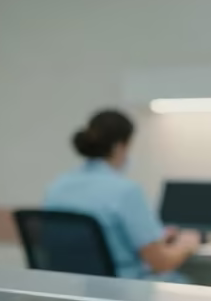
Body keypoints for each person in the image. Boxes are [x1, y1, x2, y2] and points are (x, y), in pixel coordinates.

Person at [45, 109, 200, 279]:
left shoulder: (58, 186)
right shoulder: (126, 191)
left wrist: (157, 237)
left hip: (70, 287)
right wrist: (187, 246)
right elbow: (160, 262)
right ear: (120, 147)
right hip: (121, 290)